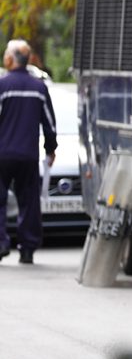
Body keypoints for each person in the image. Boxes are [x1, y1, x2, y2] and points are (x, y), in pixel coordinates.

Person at [0, 39, 58, 264]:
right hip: (27, 155)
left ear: (11, 59)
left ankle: (2, 243)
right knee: (29, 201)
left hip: (2, 154)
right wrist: (50, 149)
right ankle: (27, 248)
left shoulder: (2, 86)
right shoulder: (39, 87)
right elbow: (49, 124)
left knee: (0, 200)